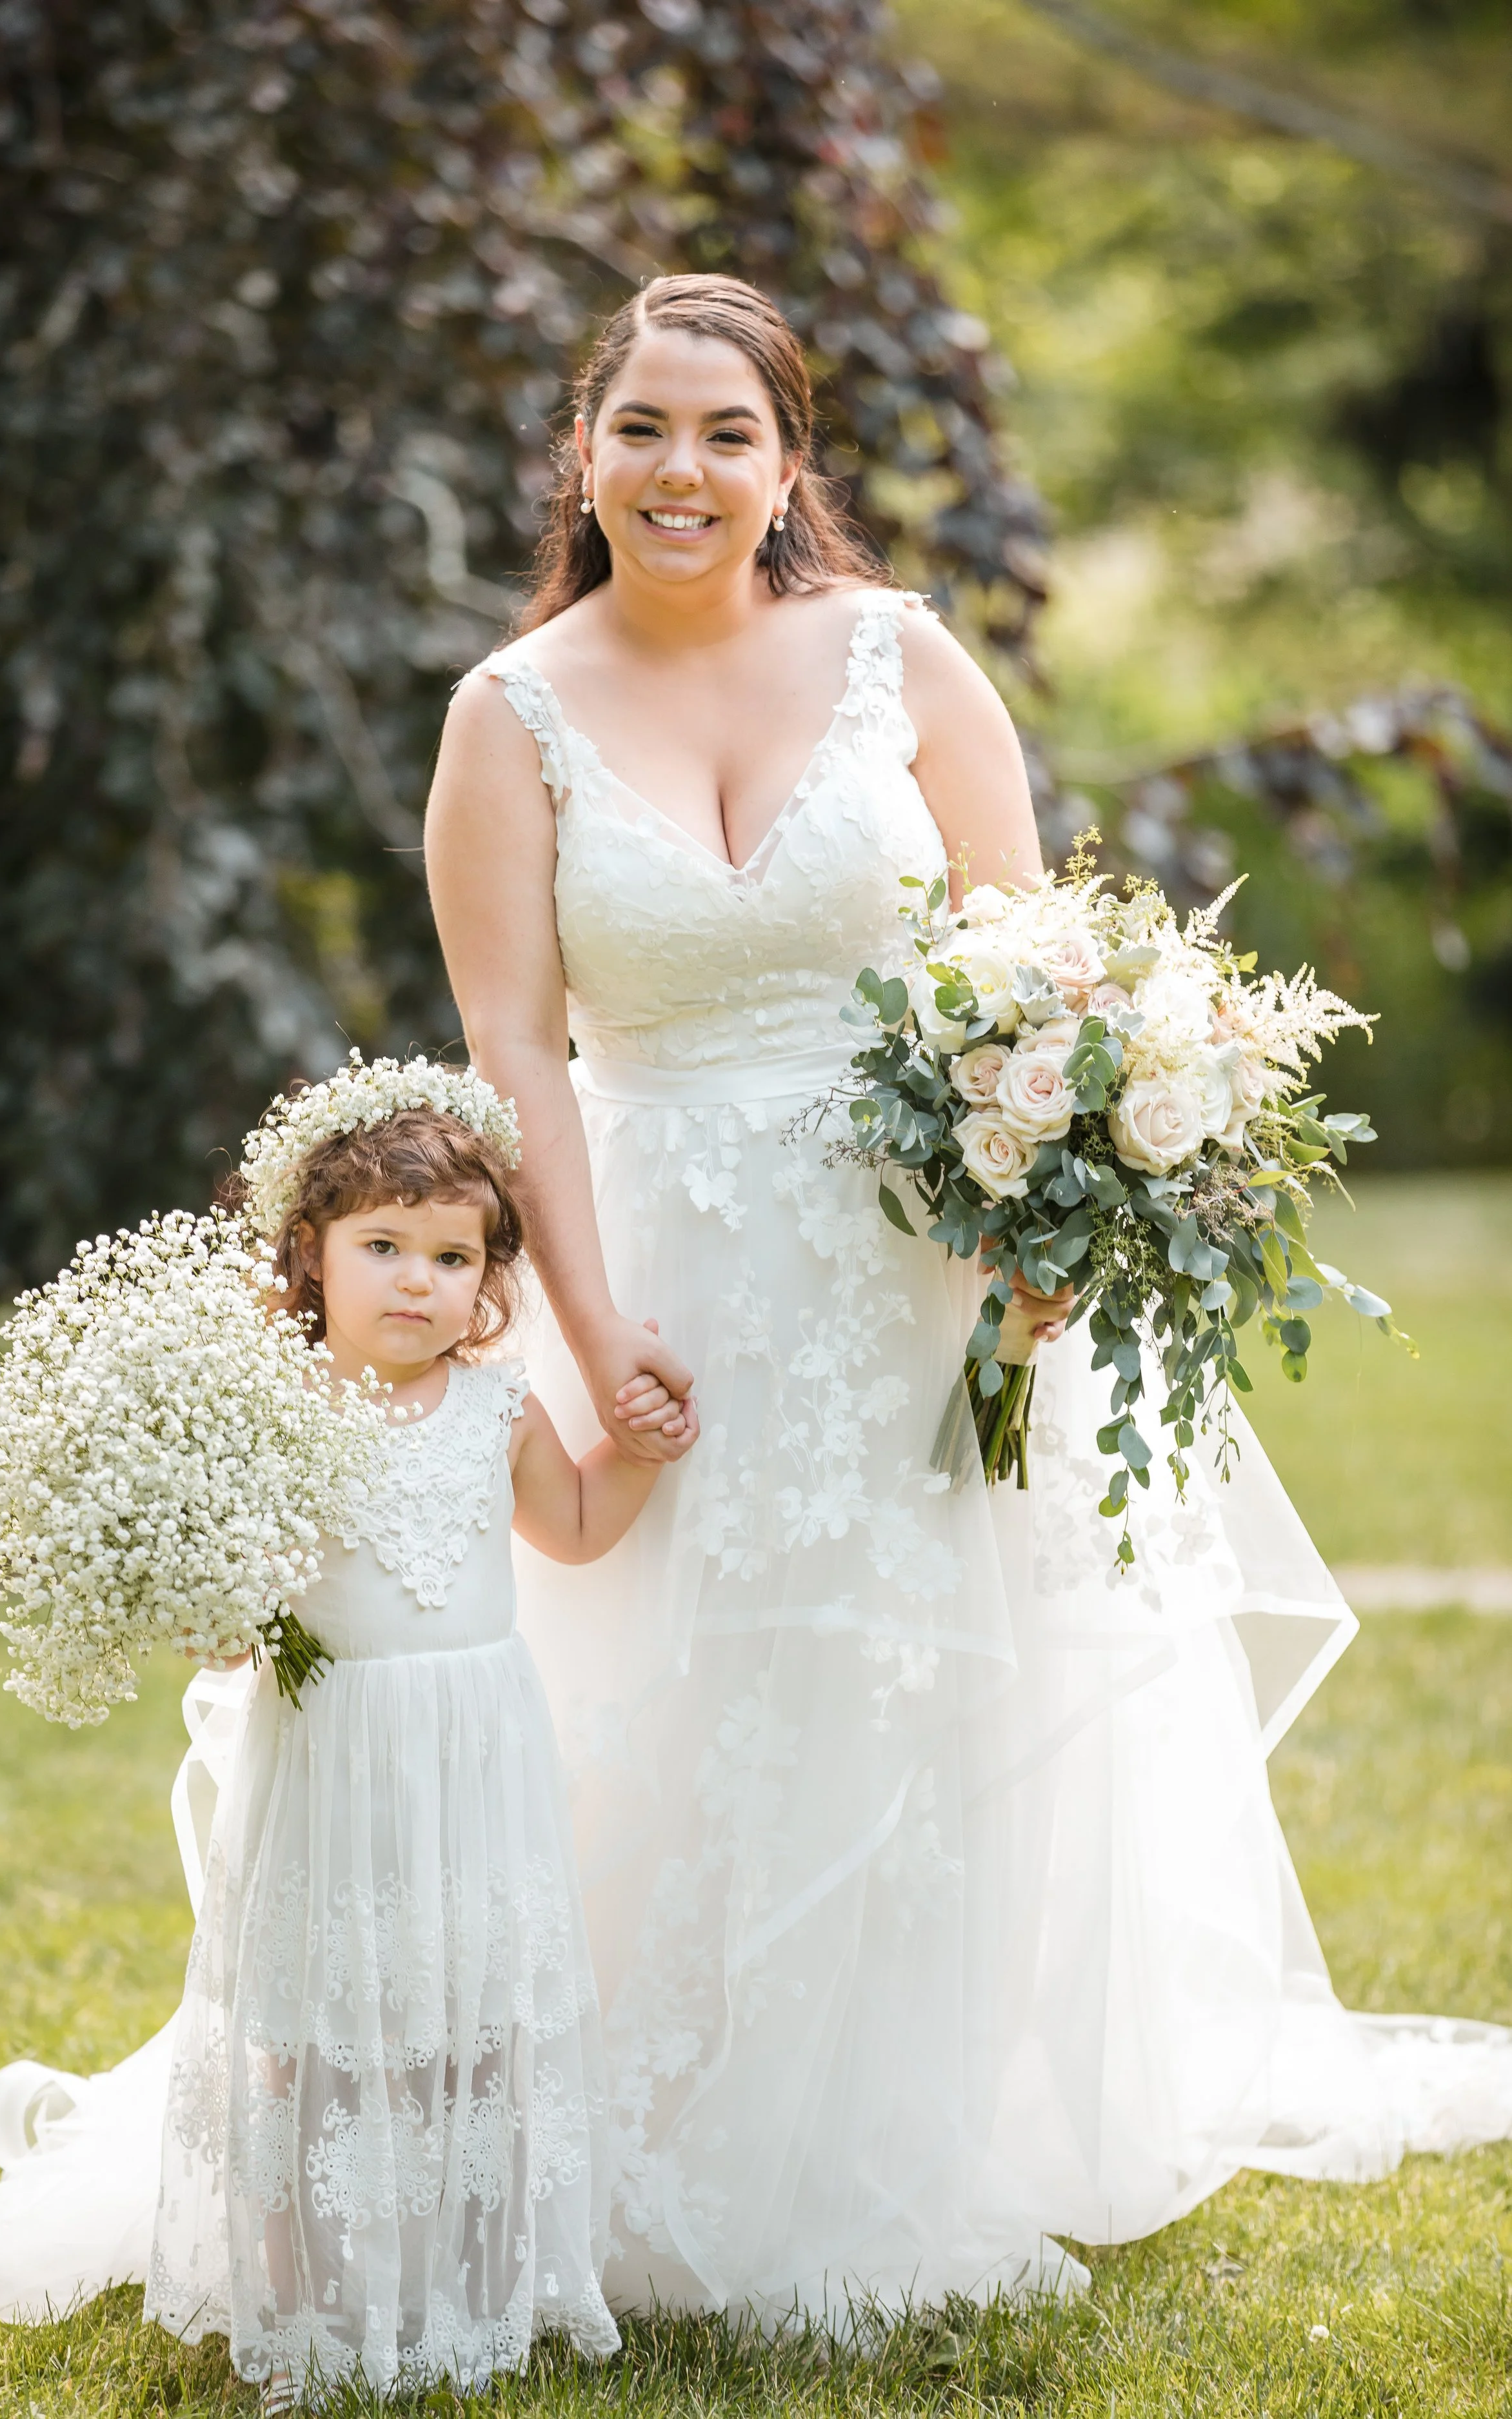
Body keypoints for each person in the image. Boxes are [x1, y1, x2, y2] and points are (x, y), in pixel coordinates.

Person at [426, 272, 1512, 2322]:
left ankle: (917, 2124)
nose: (680, 468)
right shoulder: (511, 715)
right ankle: (652, 2122)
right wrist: (582, 1324)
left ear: (784, 464)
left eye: (724, 432)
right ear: (580, 453)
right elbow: (515, 1062)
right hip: (657, 1265)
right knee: (660, 1689)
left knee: (930, 1674)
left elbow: (1043, 981)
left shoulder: (898, 661)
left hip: (927, 1266)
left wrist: (1052, 1230)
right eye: (640, 426)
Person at [0, 1063, 697, 2411]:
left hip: (473, 1752)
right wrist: (198, 1583)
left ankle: (472, 2269)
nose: (417, 1281)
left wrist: (636, 1448)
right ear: (310, 1258)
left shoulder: (497, 1413)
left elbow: (569, 1529)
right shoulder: (271, 1420)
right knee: (321, 2027)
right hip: (336, 1759)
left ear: (487, 1281)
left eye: (451, 1257)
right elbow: (232, 1609)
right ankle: (307, 2295)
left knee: (472, 2015)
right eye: (382, 1247)